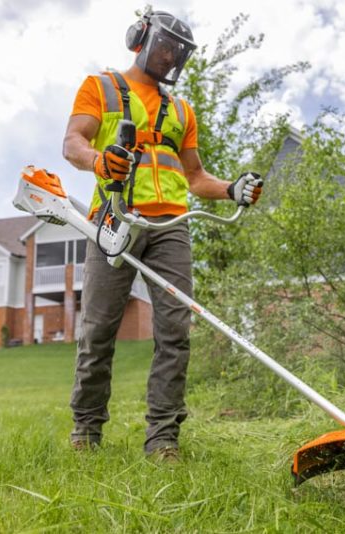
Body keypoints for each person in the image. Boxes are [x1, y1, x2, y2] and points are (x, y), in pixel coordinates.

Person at [61, 8, 263, 460]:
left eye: (179, 50)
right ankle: (86, 431)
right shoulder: (102, 87)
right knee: (98, 330)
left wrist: (231, 189)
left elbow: (195, 177)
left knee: (175, 330)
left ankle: (163, 439)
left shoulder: (181, 110)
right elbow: (73, 142)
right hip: (114, 219)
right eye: (166, 43)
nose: (171, 54)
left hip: (172, 226)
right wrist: (99, 160)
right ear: (141, 37)